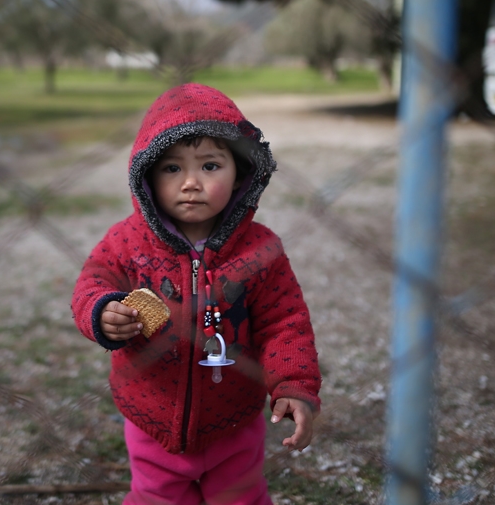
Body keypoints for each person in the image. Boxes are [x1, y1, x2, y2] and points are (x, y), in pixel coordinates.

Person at [72, 83, 321, 505]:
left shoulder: (261, 250)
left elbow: (286, 321)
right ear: (146, 175)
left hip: (234, 419)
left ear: (240, 172)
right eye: (172, 168)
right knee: (156, 498)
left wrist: (295, 385)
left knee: (240, 498)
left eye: (210, 165)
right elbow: (91, 284)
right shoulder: (126, 241)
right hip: (151, 414)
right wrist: (103, 312)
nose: (190, 183)